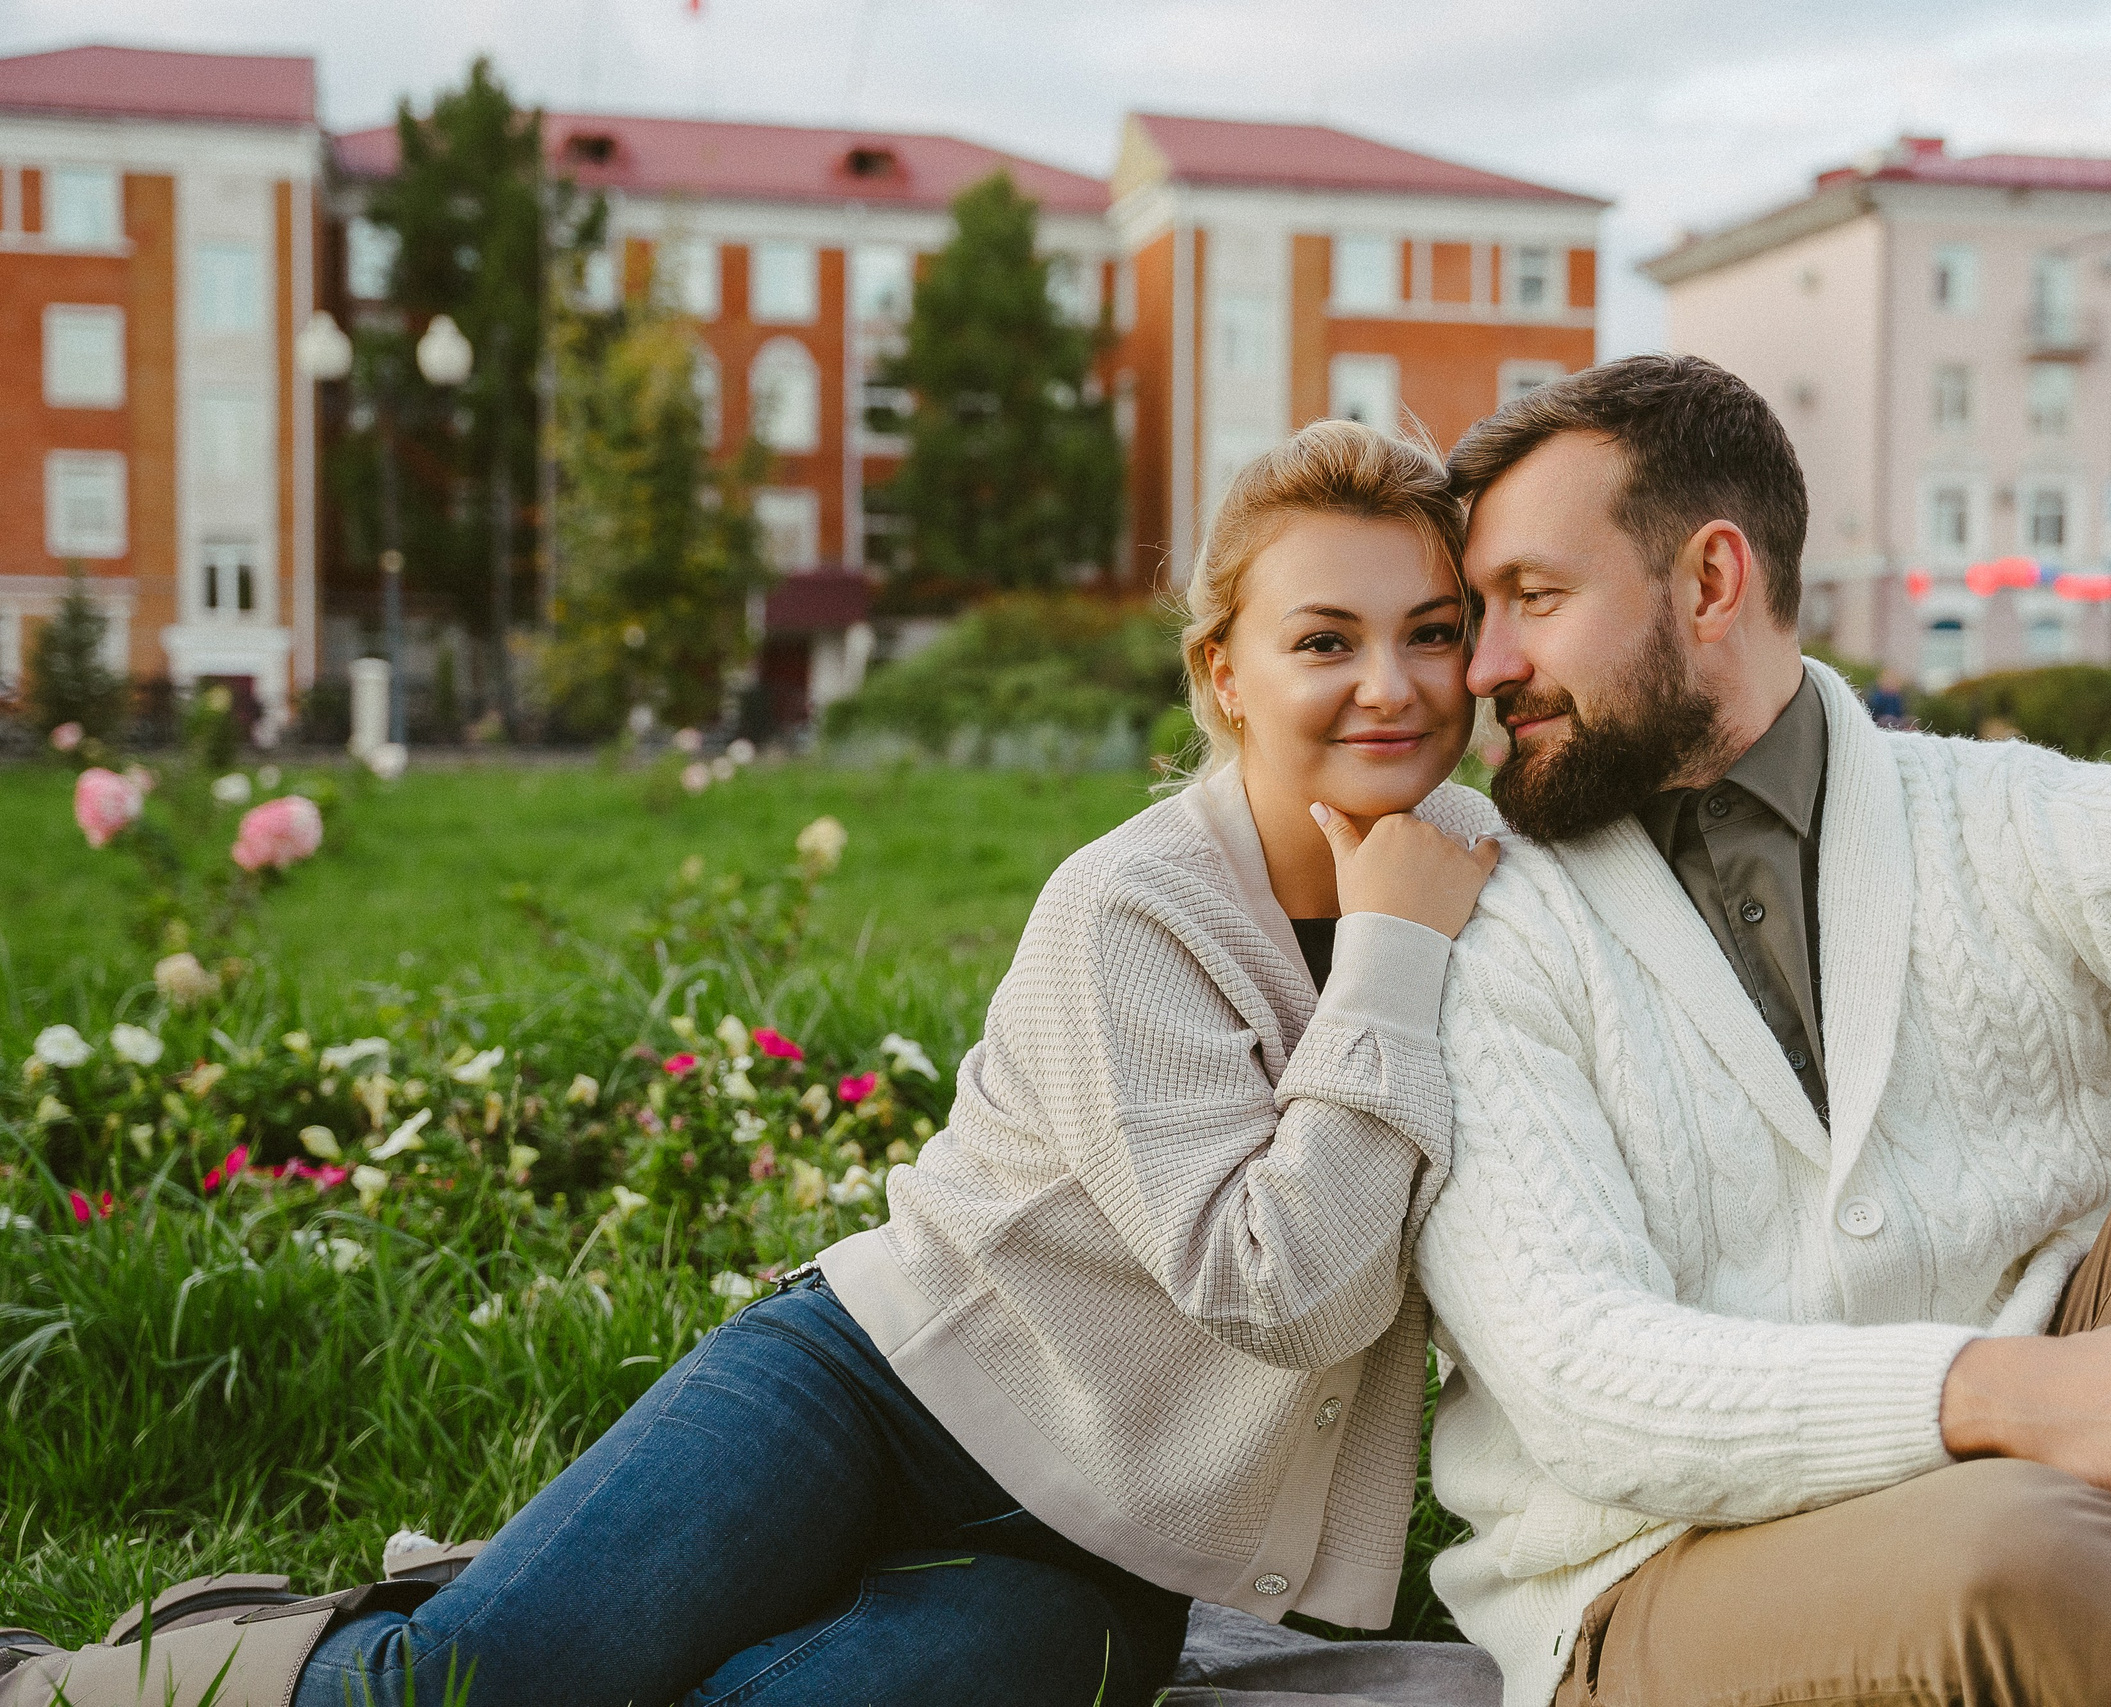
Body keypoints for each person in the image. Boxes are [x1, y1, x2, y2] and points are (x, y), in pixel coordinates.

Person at [0, 421, 1502, 1707]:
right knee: (451, 1692)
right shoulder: (1133, 907)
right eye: (1325, 639)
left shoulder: (1499, 893)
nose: (1395, 684)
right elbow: (1280, 1284)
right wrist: (1390, 951)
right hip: (873, 1392)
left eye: (1433, 631)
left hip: (1094, 1551)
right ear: (1225, 674)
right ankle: (62, 1678)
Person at [1410, 354, 2111, 1707]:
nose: (1485, 668)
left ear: (1711, 582)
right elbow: (1578, 1381)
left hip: (2079, 1481)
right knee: (2010, 1546)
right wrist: (2033, 1399)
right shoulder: (1474, 912)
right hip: (1661, 1584)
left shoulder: (2004, 816)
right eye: (1471, 616)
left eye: (1533, 600)